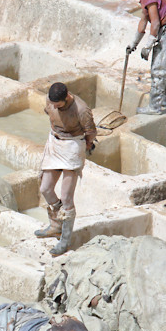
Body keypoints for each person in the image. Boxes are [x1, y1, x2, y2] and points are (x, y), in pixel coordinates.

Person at [34, 82, 96, 256]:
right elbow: (50, 113)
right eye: (52, 104)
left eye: (57, 104)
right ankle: (56, 225)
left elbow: (90, 132)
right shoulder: (50, 100)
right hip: (55, 142)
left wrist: (88, 144)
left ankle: (65, 240)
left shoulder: (81, 110)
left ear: (67, 97)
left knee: (67, 197)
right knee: (45, 188)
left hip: (72, 146)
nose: (53, 107)